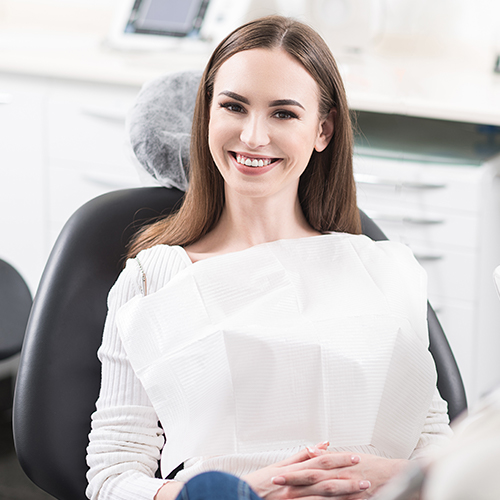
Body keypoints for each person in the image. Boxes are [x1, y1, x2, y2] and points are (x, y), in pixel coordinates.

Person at [86, 15, 452, 500]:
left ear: (323, 130)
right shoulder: (153, 281)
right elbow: (111, 478)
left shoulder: (382, 272)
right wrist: (226, 493)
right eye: (234, 107)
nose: (254, 137)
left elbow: (439, 451)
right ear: (208, 116)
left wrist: (387, 475)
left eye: (283, 113)